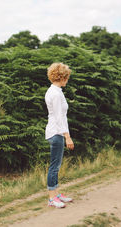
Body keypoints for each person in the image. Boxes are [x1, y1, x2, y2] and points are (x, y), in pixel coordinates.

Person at [45, 62, 75, 208]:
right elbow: (59, 117)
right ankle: (51, 198)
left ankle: (56, 194)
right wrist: (67, 136)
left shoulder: (55, 91)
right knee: (54, 166)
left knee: (56, 165)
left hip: (57, 132)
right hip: (56, 133)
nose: (67, 79)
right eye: (67, 77)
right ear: (62, 77)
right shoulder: (55, 94)